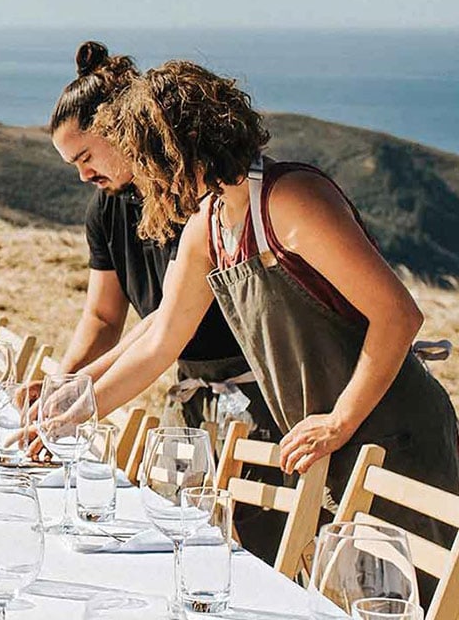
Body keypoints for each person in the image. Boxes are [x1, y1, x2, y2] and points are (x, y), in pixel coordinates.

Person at [90, 60, 459, 591]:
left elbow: (399, 315)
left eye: (146, 161)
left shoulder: (291, 200)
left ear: (180, 150)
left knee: (407, 600)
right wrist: (73, 413)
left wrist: (338, 421)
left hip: (393, 433)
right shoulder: (208, 229)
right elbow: (160, 343)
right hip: (328, 442)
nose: (143, 180)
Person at [44, 42, 285, 562]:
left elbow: (160, 328)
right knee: (183, 540)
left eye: (85, 156)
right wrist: (63, 386)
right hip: (187, 390)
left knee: (262, 552)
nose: (83, 175)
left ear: (119, 131)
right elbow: (105, 317)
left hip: (256, 392)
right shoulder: (105, 211)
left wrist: (75, 404)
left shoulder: (193, 198)